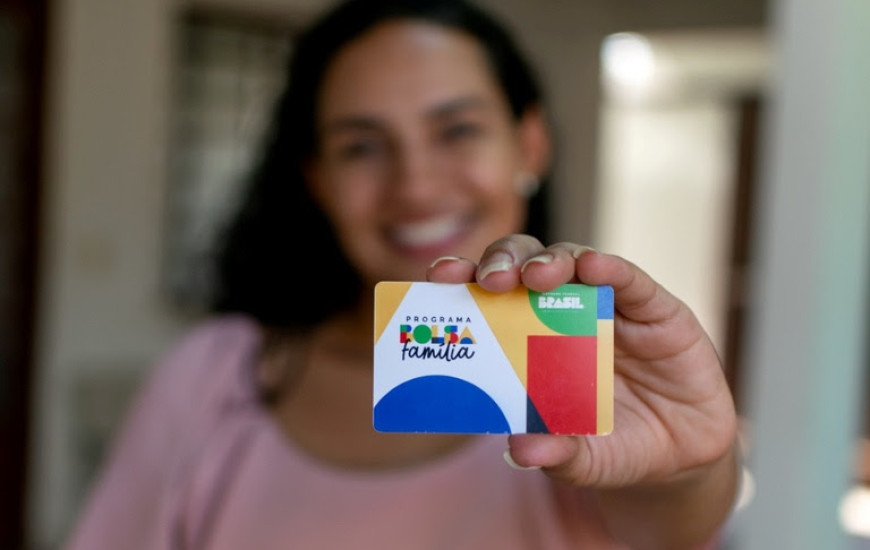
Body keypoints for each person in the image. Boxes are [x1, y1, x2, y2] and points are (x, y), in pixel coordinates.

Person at [65, 0, 739, 548]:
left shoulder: (597, 388)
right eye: (361, 146)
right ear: (317, 179)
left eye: (457, 130)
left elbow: (669, 525)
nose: (414, 186)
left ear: (529, 144)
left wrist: (689, 471)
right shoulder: (211, 379)